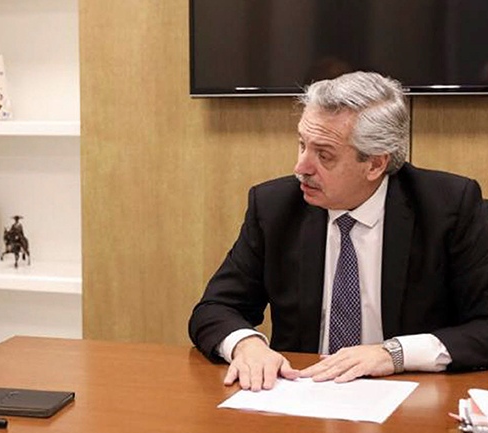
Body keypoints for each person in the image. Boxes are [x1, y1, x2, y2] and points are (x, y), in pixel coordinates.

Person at [188, 71, 488, 391]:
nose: (301, 167)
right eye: (302, 145)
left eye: (324, 155)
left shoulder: (449, 208)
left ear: (374, 164)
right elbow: (214, 309)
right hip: (301, 394)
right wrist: (247, 345)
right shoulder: (275, 207)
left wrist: (395, 354)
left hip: (409, 399)